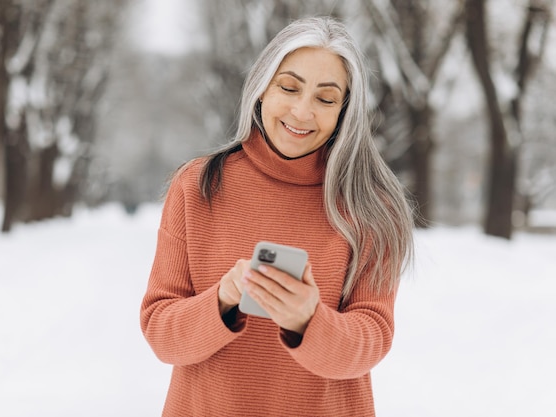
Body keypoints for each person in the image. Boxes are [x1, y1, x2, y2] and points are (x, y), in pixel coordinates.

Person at [141, 16, 414, 417]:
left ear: (344, 110)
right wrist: (223, 299)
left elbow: (371, 341)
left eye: (326, 98)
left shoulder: (371, 206)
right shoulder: (197, 185)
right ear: (261, 89)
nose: (302, 112)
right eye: (289, 87)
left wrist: (309, 320)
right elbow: (161, 333)